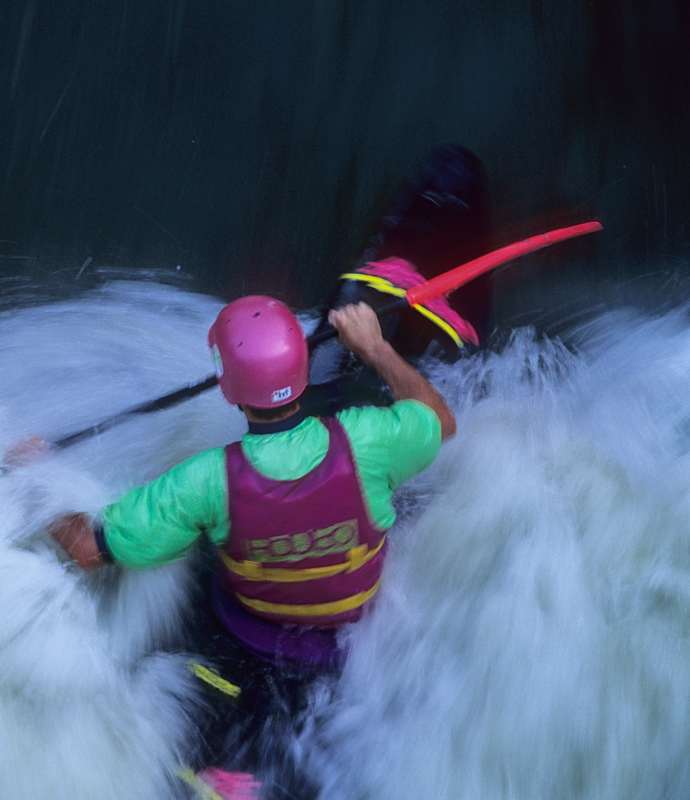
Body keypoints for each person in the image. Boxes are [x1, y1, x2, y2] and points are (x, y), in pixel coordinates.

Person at [43, 297, 456, 799]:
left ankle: (223, 761)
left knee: (187, 556)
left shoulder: (204, 480)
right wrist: (374, 347)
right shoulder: (371, 438)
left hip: (252, 644)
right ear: (304, 370)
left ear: (229, 390)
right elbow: (440, 419)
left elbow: (88, 549)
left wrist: (36, 482)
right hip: (357, 645)